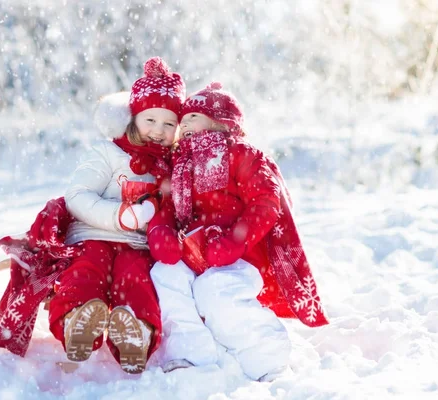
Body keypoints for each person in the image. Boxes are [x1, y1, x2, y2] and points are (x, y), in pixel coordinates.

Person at [148, 82, 329, 381]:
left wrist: (235, 240)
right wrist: (161, 231)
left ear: (221, 121)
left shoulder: (240, 153)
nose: (185, 123)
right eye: (183, 119)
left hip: (238, 256)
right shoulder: (179, 164)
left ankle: (267, 355)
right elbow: (165, 204)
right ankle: (189, 351)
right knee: (166, 277)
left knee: (214, 290)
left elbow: (266, 200)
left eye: (194, 116)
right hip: (194, 252)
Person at [47, 57, 185, 374]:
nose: (158, 131)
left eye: (168, 125)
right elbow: (77, 195)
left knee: (136, 280)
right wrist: (116, 217)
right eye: (150, 120)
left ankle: (135, 333)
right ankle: (77, 322)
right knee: (85, 271)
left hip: (137, 245)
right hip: (92, 234)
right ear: (134, 118)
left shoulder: (172, 167)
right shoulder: (109, 153)